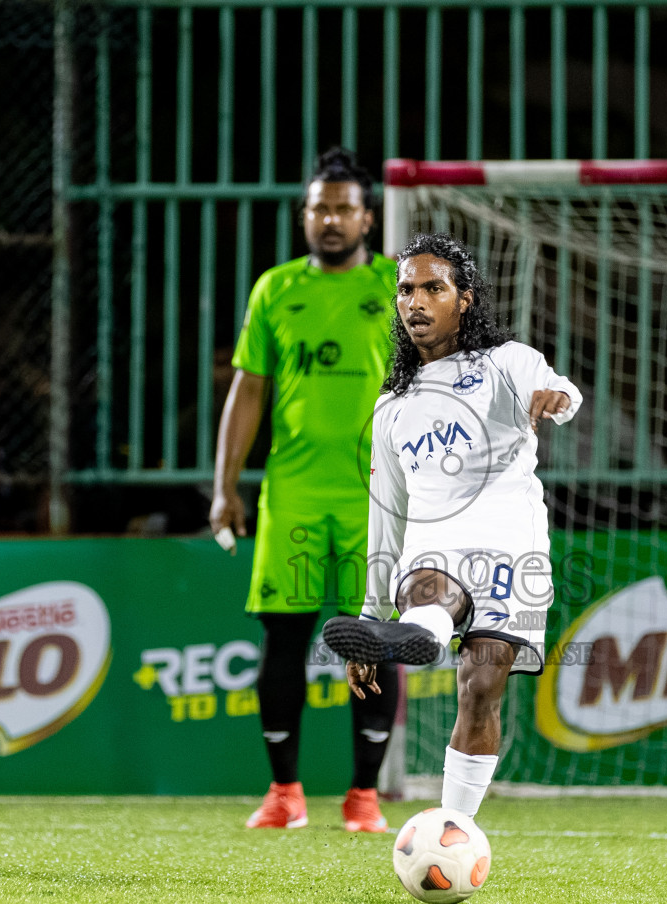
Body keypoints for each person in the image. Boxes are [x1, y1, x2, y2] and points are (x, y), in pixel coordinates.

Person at [321, 234, 582, 820]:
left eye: (432, 289)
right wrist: (369, 616)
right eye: (406, 290)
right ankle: (415, 632)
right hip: (433, 551)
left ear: (463, 299)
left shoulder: (504, 363)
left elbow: (563, 390)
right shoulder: (392, 408)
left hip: (514, 551)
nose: (415, 302)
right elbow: (384, 514)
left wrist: (555, 399)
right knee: (432, 588)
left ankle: (452, 829)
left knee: (480, 688)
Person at [210, 147, 401, 832]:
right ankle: (284, 793)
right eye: (319, 207)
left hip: (377, 497)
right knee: (284, 639)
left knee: (372, 640)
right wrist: (223, 486)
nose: (330, 218)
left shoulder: (400, 289)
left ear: (368, 218)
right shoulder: (274, 290)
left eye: (344, 208)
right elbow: (249, 389)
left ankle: (364, 799)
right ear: (304, 216)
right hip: (291, 490)